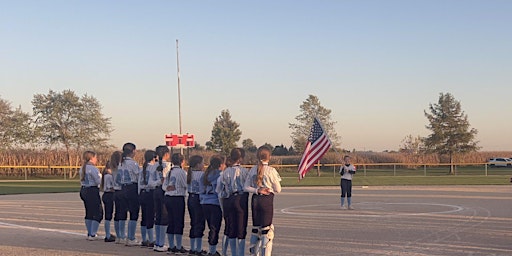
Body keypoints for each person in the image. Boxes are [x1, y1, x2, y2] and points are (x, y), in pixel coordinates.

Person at [243, 146, 281, 256]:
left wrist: (257, 190)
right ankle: (265, 253)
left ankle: (253, 252)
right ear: (269, 157)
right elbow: (278, 189)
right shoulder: (271, 170)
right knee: (266, 230)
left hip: (255, 199)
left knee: (256, 229)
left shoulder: (252, 170)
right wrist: (269, 189)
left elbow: (246, 187)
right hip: (266, 201)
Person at [217, 148, 248, 256]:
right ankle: (240, 253)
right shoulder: (244, 171)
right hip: (240, 199)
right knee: (241, 228)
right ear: (240, 159)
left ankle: (233, 253)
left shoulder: (225, 172)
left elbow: (219, 190)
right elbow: (248, 186)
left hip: (228, 199)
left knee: (231, 228)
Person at [200, 155, 226, 256]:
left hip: (205, 202)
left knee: (211, 227)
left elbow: (201, 190)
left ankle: (211, 249)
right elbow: (220, 192)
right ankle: (212, 250)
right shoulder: (220, 175)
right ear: (220, 165)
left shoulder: (205, 175)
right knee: (215, 228)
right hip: (215, 203)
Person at [163, 152, 188, 254]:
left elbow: (164, 186)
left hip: (168, 197)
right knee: (178, 222)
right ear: (182, 161)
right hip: (177, 198)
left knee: (171, 221)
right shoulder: (182, 173)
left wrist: (168, 188)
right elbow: (185, 184)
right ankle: (178, 246)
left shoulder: (170, 172)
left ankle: (171, 245)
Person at [118, 142, 141, 246]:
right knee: (133, 213)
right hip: (132, 188)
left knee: (122, 212)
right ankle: (131, 237)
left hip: (122, 188)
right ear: (132, 151)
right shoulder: (133, 163)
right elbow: (138, 176)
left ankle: (121, 236)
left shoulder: (121, 163)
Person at [150, 145, 171, 252]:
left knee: (157, 216)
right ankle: (161, 243)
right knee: (164, 217)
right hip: (164, 192)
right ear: (166, 154)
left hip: (155, 191)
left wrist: (158, 182)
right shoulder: (168, 165)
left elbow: (150, 183)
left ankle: (157, 242)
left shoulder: (153, 166)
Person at [79, 150, 103, 241]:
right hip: (92, 190)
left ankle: (90, 232)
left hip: (84, 190)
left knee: (89, 212)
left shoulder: (82, 168)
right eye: (95, 157)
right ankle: (92, 234)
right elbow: (98, 181)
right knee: (98, 212)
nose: (96, 159)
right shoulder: (93, 169)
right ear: (91, 158)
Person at [187, 155, 207, 255]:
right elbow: (204, 188)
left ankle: (192, 247)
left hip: (191, 198)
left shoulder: (189, 173)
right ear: (198, 164)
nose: (203, 165)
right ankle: (198, 249)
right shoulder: (202, 174)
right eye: (202, 163)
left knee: (193, 222)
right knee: (199, 223)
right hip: (199, 199)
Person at [138, 150, 157, 248]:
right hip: (150, 193)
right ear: (154, 158)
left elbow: (138, 184)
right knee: (150, 216)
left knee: (144, 216)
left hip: (142, 193)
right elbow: (151, 183)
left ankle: (144, 239)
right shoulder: (153, 168)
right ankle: (151, 239)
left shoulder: (142, 169)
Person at [110, 151, 126, 244]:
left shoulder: (113, 167)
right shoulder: (121, 167)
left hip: (115, 191)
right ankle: (122, 235)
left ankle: (119, 236)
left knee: (117, 213)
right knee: (122, 213)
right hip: (121, 190)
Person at [100, 160, 116, 242]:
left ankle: (108, 234)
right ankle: (107, 235)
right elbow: (110, 187)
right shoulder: (109, 176)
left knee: (108, 215)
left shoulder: (105, 175)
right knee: (108, 215)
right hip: (109, 195)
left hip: (106, 195)